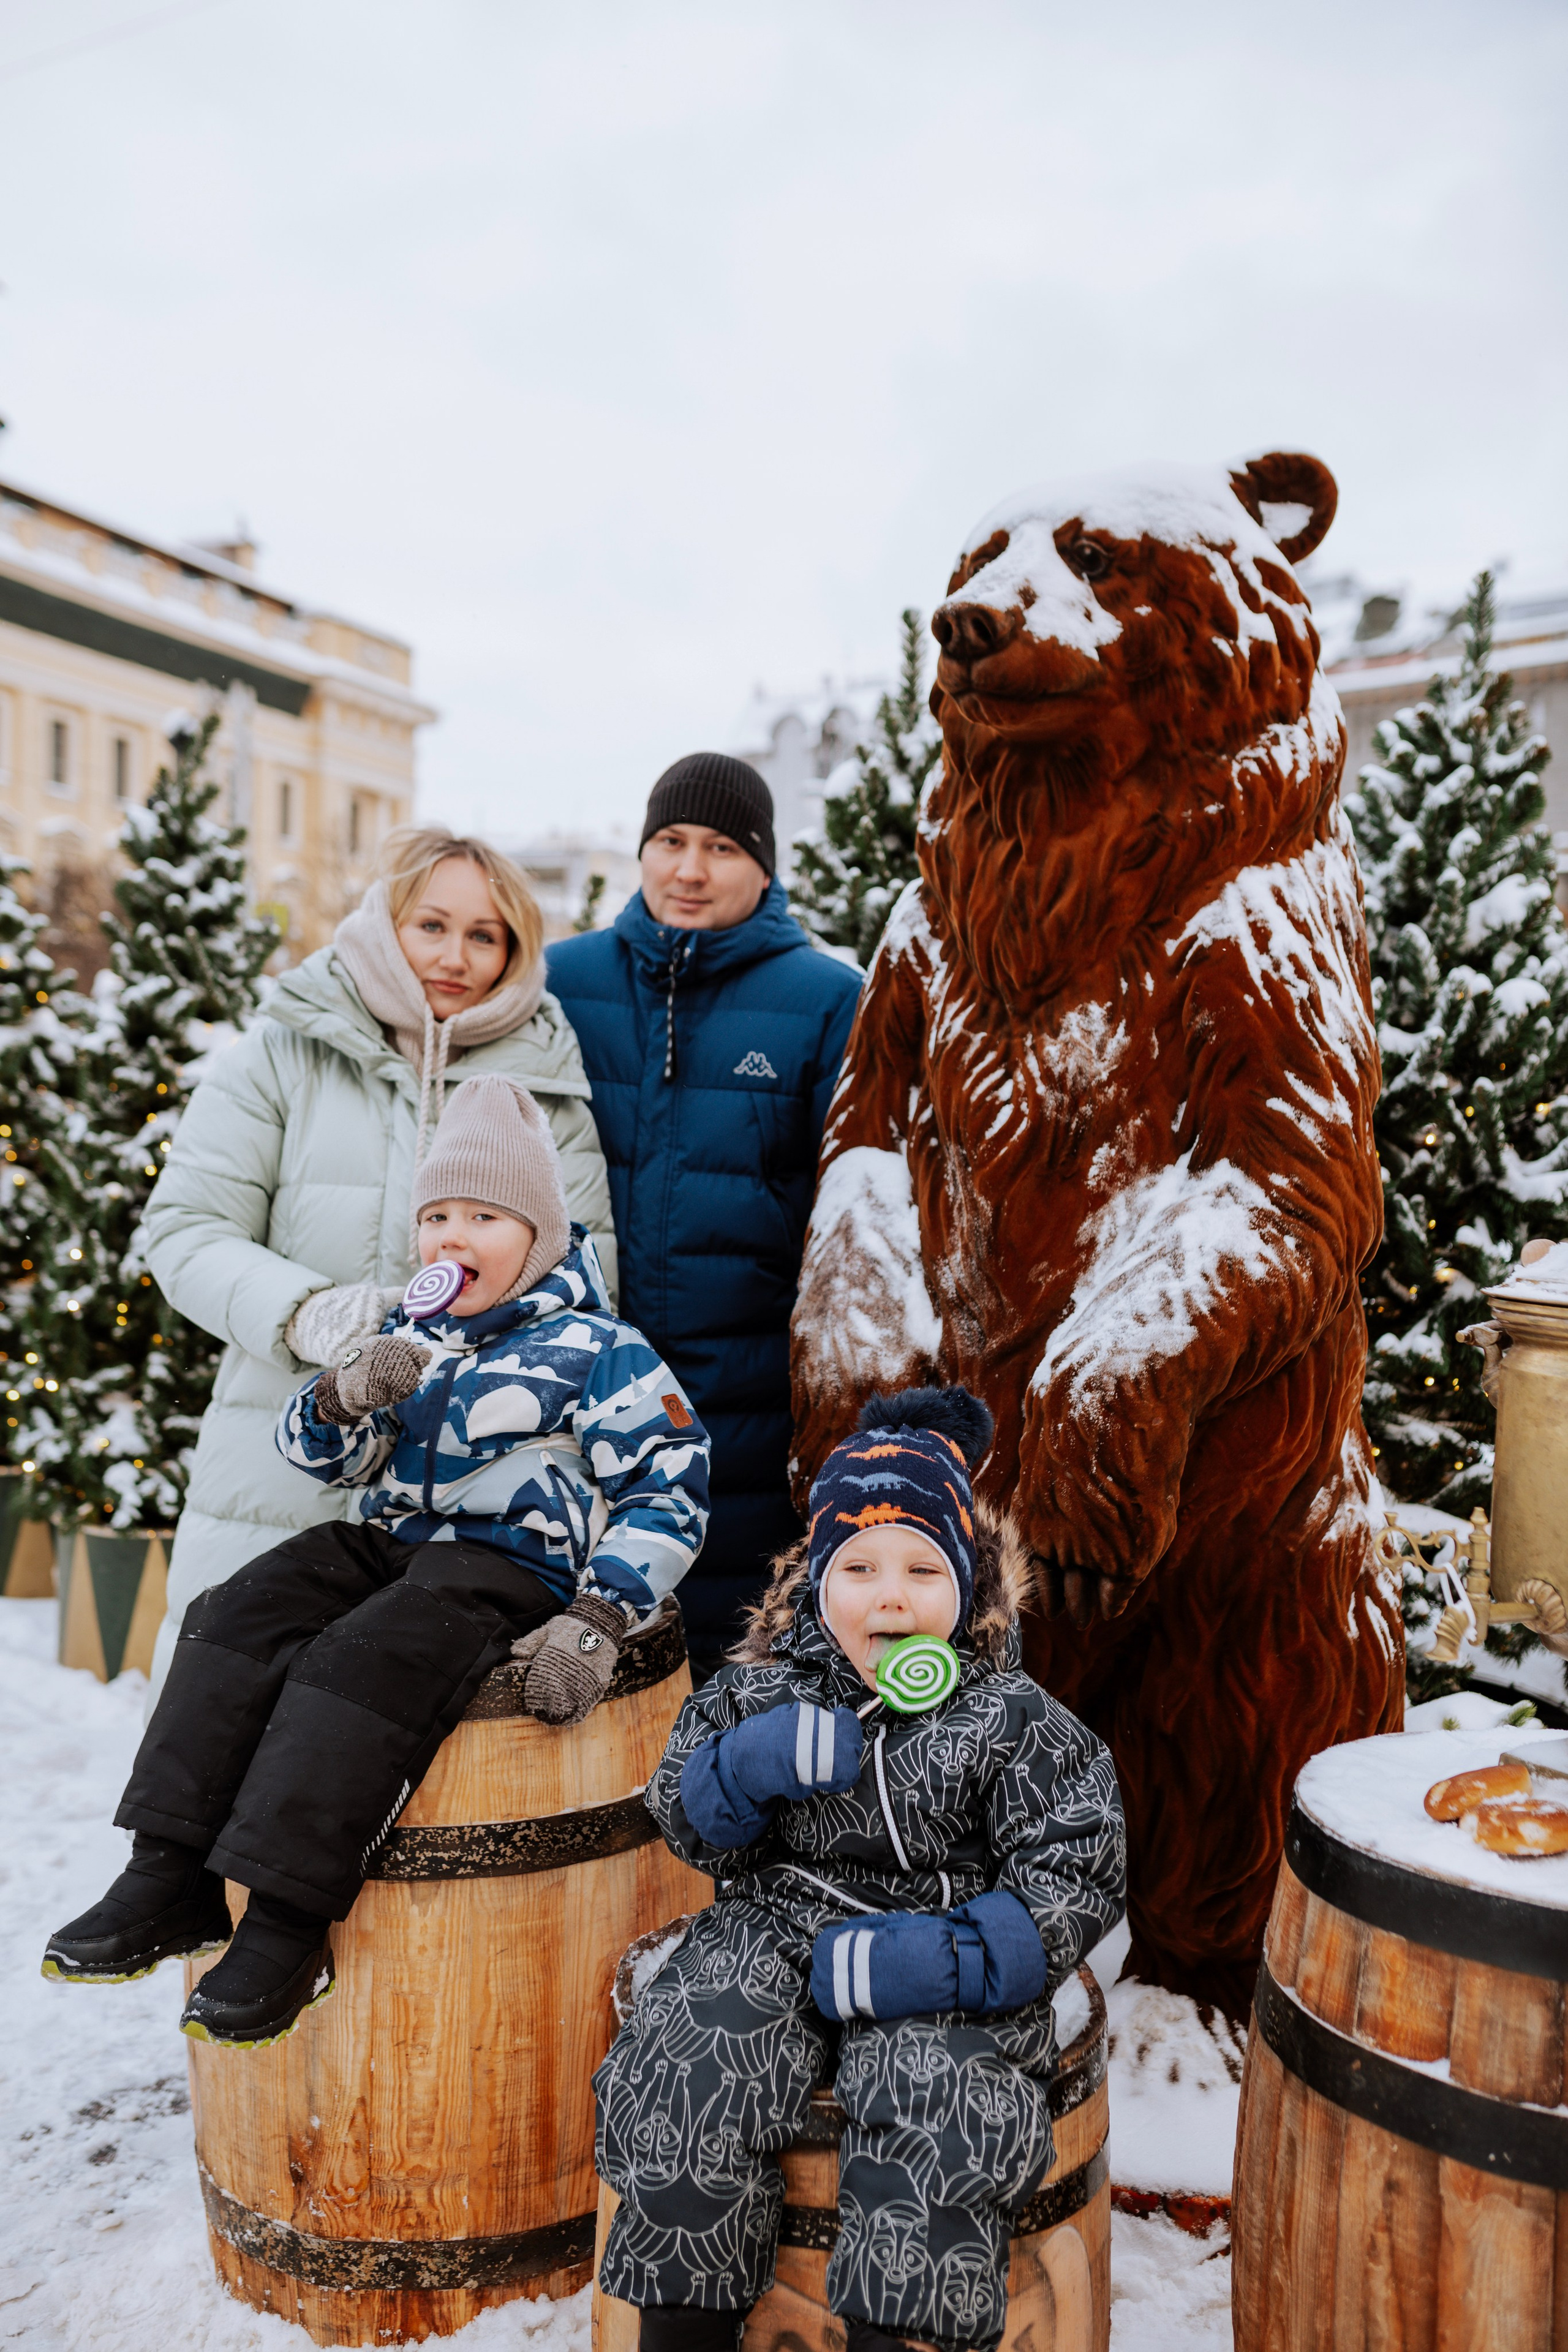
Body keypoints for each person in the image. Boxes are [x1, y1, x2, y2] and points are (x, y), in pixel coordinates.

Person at [42, 1076, 709, 2048]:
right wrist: (342, 1397)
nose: (453, 1237)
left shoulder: (598, 1349)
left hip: (509, 1561)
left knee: (363, 1656)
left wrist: (600, 1615)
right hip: (395, 1539)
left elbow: (670, 1488)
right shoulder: (412, 1336)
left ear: (541, 1237)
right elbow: (321, 1458)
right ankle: (167, 1872)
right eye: (437, 1215)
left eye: (484, 1216)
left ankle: (285, 1924)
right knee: (242, 1607)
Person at [594, 1387, 1126, 2352]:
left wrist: (947, 1961)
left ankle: (898, 2334)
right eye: (862, 1568)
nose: (892, 1595)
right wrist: (748, 1765)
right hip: (774, 1919)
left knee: (949, 2091)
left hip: (938, 1935)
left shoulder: (1008, 1716)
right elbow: (684, 1818)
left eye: (925, 1568)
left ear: (969, 1586)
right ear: (815, 1586)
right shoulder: (761, 1691)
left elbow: (1076, 1869)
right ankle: (684, 2326)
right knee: (692, 2055)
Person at [138, 826, 615, 1698]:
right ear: (384, 921)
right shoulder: (285, 1054)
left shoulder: (546, 1086)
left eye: (486, 935)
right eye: (431, 925)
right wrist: (307, 1313)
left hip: (470, 1497)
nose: (455, 956)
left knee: (386, 1767)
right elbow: (185, 1228)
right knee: (223, 1719)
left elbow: (587, 1279)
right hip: (275, 1458)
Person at [547, 752, 860, 1676]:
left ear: (765, 868)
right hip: (574, 1395)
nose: (690, 869)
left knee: (726, 1671)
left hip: (745, 1407)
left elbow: (841, 1216)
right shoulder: (561, 983)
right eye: (671, 842)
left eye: (722, 847)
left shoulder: (825, 1000)